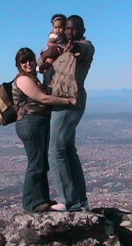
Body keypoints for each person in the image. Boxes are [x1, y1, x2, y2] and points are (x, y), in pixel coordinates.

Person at [12, 47, 76, 213]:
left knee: (41, 162)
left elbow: (44, 65)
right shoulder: (23, 80)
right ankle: (31, 204)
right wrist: (68, 101)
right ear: (18, 65)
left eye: (30, 60)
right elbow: (43, 98)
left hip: (37, 122)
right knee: (35, 163)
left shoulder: (33, 77)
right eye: (23, 61)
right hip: (30, 122)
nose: (28, 63)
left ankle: (41, 200)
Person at [48, 15, 95, 212]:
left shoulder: (86, 46)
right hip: (59, 102)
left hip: (69, 103)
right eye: (67, 28)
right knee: (68, 151)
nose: (69, 32)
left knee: (55, 151)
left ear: (82, 30)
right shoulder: (61, 49)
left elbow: (81, 49)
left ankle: (68, 200)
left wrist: (73, 46)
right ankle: (80, 199)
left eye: (74, 29)